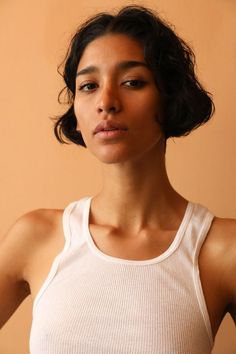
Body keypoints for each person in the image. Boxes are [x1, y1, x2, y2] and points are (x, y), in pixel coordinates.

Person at [0, 5, 235, 354]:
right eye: (89, 85)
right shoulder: (36, 237)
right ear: (76, 113)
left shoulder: (221, 250)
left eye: (132, 82)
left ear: (169, 97)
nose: (106, 102)